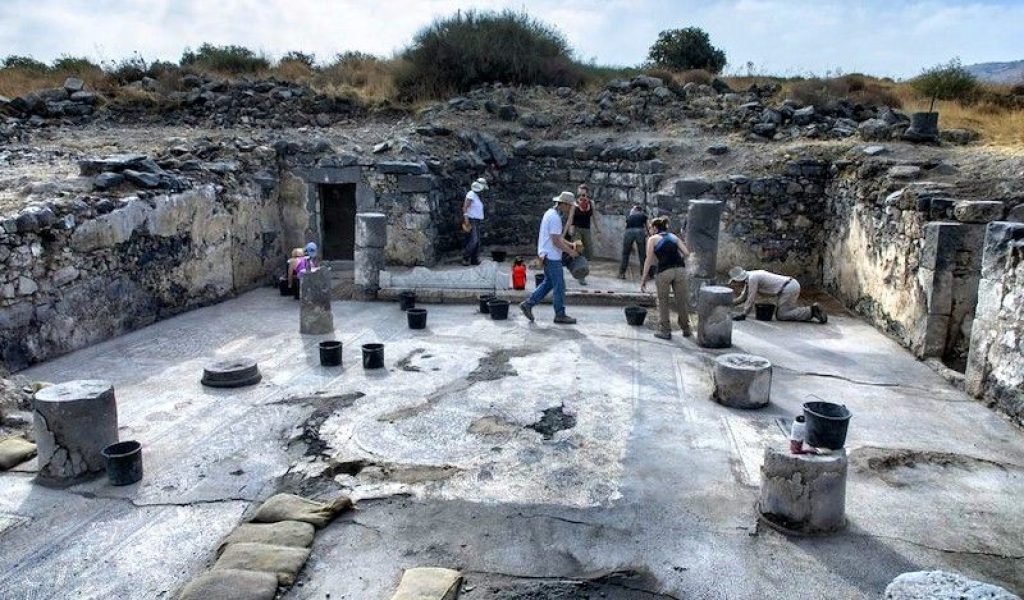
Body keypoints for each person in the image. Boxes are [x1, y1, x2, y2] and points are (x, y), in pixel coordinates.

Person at [519, 192, 580, 325]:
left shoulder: (550, 213)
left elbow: (557, 237)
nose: (570, 209)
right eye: (569, 206)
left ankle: (528, 304)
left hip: (546, 254)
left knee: (549, 283)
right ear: (563, 204)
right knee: (559, 286)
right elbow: (556, 242)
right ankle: (560, 314)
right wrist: (571, 252)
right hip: (552, 256)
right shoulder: (555, 218)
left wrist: (570, 244)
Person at [640, 216, 693, 340]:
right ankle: (686, 329)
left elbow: (648, 259)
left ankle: (665, 331)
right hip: (680, 270)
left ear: (655, 228)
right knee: (681, 301)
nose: (649, 230)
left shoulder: (652, 239)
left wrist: (643, 279)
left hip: (664, 272)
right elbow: (686, 253)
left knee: (663, 301)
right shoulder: (674, 237)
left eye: (650, 228)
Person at [729, 266, 828, 323]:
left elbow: (751, 297)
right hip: (789, 285)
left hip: (789, 287)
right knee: (785, 311)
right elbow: (743, 297)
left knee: (782, 315)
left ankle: (811, 311)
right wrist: (727, 304)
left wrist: (744, 314)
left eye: (735, 281)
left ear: (739, 279)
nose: (736, 283)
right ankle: (809, 311)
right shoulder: (750, 277)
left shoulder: (752, 278)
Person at [565, 184, 599, 284]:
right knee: (578, 251)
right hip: (577, 230)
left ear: (587, 193)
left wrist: (598, 229)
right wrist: (565, 231)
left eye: (583, 194)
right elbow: (570, 218)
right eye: (579, 193)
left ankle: (580, 270)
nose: (581, 196)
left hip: (586, 230)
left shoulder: (591, 203)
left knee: (588, 252)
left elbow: (594, 217)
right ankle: (580, 276)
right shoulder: (574, 204)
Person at [462, 178, 487, 266]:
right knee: (474, 240)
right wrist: (466, 219)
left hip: (476, 220)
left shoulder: (476, 195)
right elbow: (465, 207)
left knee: (477, 241)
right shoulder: (471, 195)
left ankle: (474, 259)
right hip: (471, 219)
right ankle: (465, 257)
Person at [619, 204, 647, 279]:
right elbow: (647, 226)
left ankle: (622, 273)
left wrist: (630, 245)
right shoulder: (643, 215)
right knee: (642, 254)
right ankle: (644, 274)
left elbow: (625, 227)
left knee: (625, 254)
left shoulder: (630, 217)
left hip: (628, 232)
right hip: (639, 231)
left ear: (635, 210)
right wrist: (650, 235)